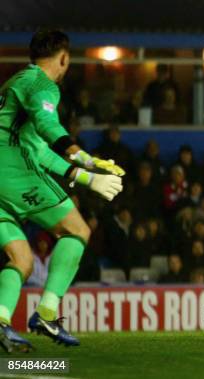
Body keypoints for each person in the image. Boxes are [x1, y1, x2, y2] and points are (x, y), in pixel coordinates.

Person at [0, 30, 125, 351]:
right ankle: (47, 313)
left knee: (21, 259)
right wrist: (84, 157)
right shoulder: (43, 84)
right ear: (64, 58)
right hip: (11, 173)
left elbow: (40, 151)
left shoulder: (15, 83)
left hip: (7, 175)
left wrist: (87, 174)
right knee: (78, 230)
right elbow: (48, 127)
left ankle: (0, 322)